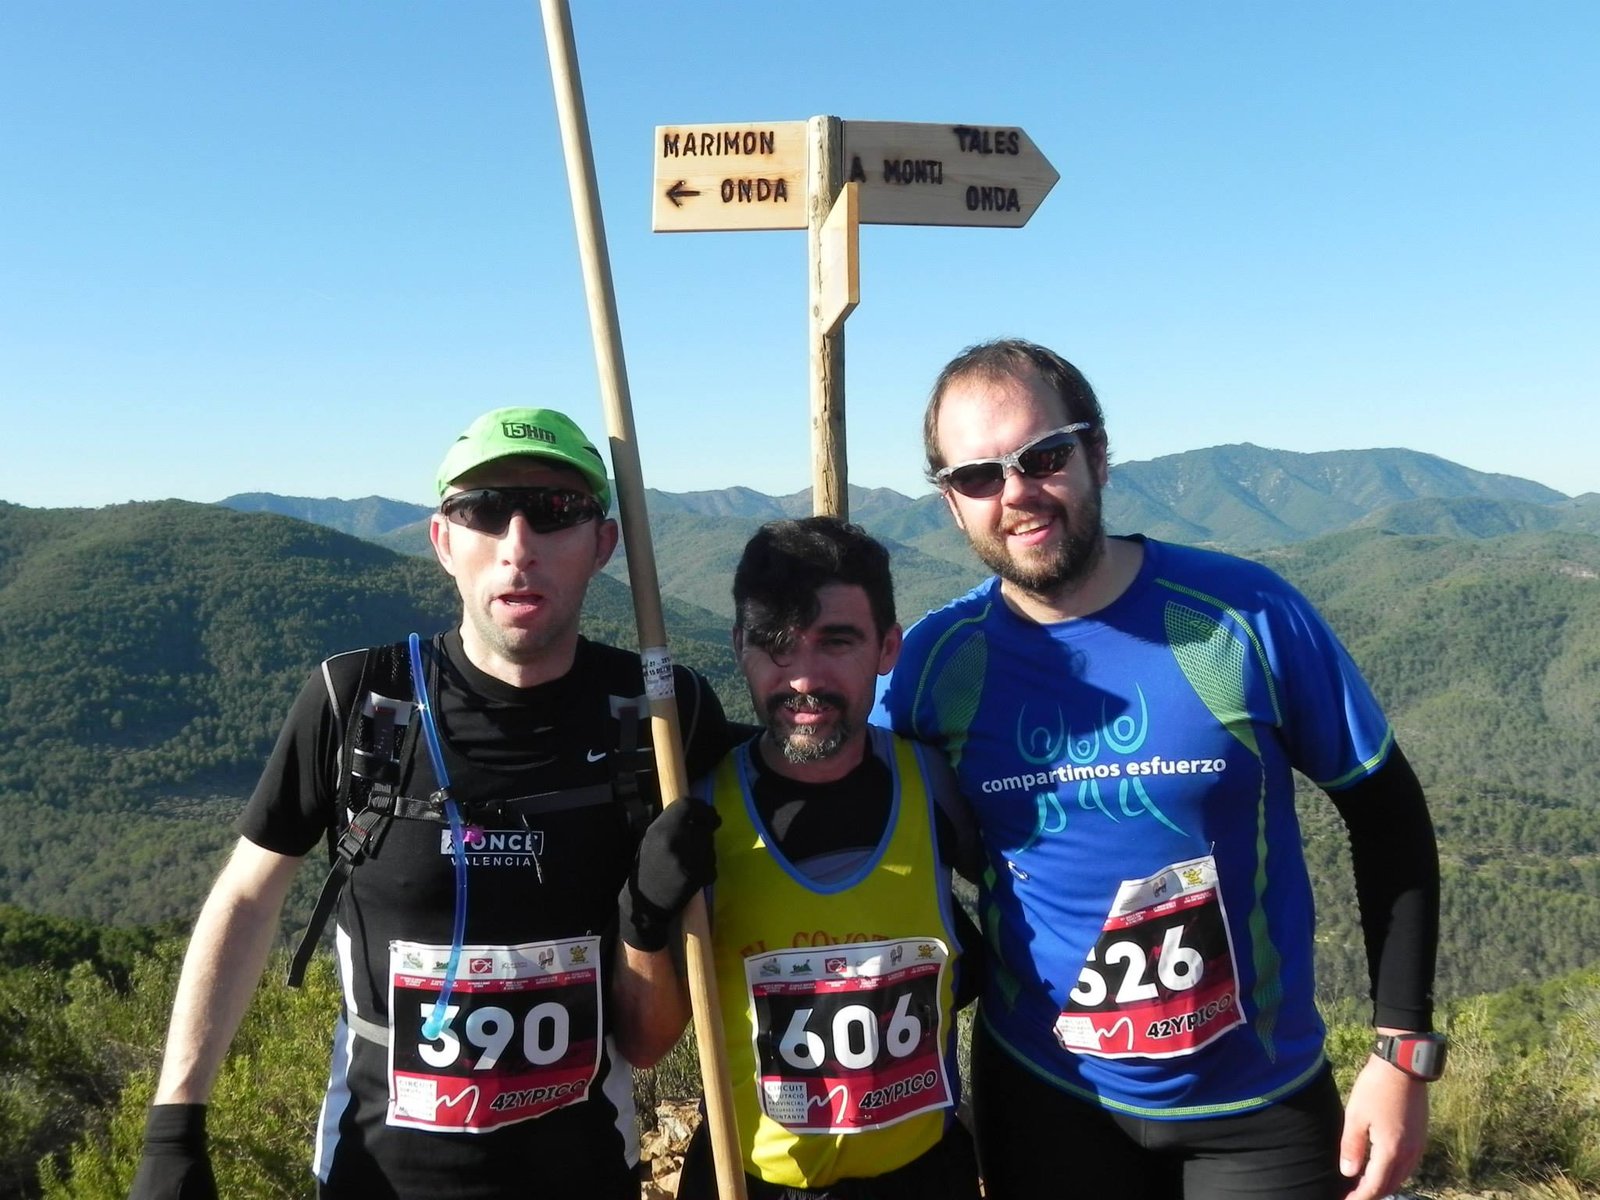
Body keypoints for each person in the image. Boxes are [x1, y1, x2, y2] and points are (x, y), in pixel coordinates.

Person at [877, 339, 1444, 1200]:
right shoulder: (935, 661)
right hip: (1046, 1092)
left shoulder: (1244, 615)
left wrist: (1402, 1051)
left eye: (1044, 456)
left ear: (1098, 454)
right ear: (953, 506)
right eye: (979, 477)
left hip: (1261, 1104)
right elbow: (848, 795)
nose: (1017, 493)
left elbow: (1386, 812)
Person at [129, 407, 732, 1200]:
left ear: (603, 546)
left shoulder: (659, 715)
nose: (518, 544)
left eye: (555, 511)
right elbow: (246, 896)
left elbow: (653, 1038)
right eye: (484, 510)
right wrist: (176, 1122)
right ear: (444, 541)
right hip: (375, 1176)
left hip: (586, 1173)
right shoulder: (356, 701)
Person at [622, 517, 984, 1200]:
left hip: (922, 1177)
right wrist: (642, 914)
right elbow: (646, 1046)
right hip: (748, 1181)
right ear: (739, 649)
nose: (803, 679)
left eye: (837, 642)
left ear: (888, 648)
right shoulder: (699, 813)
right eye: (774, 645)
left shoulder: (937, 789)